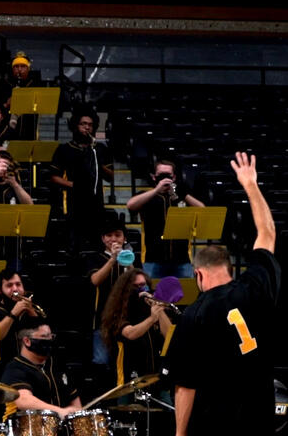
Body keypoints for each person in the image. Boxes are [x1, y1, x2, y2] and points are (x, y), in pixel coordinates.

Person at [169, 152, 278, 436]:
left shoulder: (193, 315)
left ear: (198, 275)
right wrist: (250, 184)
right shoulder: (257, 288)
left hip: (215, 431)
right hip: (259, 425)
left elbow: (185, 387)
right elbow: (267, 235)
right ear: (230, 268)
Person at [126, 159, 205, 279]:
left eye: (168, 175)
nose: (165, 178)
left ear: (174, 177)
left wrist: (183, 194)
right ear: (154, 177)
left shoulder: (181, 196)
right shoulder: (147, 195)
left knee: (185, 295)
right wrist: (156, 190)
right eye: (161, 175)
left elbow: (203, 211)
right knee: (152, 294)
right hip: (153, 259)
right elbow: (131, 205)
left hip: (181, 258)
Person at [49, 107, 113, 250]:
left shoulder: (100, 149)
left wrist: (97, 161)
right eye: (83, 124)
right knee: (75, 244)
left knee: (96, 244)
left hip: (96, 204)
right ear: (75, 126)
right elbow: (53, 177)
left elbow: (111, 176)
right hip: (73, 203)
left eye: (90, 125)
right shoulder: (64, 149)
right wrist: (74, 185)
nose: (87, 127)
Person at [101, 269, 172, 387]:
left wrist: (158, 308)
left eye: (143, 285)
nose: (140, 289)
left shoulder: (151, 308)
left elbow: (169, 334)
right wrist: (151, 319)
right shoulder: (118, 312)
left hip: (156, 375)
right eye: (135, 286)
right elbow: (130, 333)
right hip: (130, 377)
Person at [1, 319, 81, 417]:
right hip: (30, 429)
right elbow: (23, 400)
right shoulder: (15, 368)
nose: (49, 341)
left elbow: (76, 404)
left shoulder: (56, 365)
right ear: (27, 341)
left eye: (51, 337)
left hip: (62, 430)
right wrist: (58, 411)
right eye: (44, 337)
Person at [86, 214, 136, 365]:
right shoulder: (95, 257)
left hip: (126, 319)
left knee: (124, 361)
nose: (113, 239)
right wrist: (113, 259)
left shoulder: (131, 257)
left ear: (124, 238)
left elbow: (137, 282)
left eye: (117, 235)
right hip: (102, 319)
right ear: (103, 239)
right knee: (102, 361)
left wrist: (127, 261)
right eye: (109, 235)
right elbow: (95, 280)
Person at [0, 269, 44, 378]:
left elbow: (44, 339)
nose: (15, 289)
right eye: (9, 286)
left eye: (18, 284)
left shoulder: (33, 311)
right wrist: (13, 313)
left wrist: (32, 313)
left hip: (31, 371)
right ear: (0, 290)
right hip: (2, 372)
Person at [0, 51, 41, 141]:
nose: (19, 70)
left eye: (23, 66)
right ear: (12, 69)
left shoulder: (34, 84)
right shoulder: (3, 84)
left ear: (28, 69)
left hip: (28, 126)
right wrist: (6, 104)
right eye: (16, 67)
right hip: (8, 127)